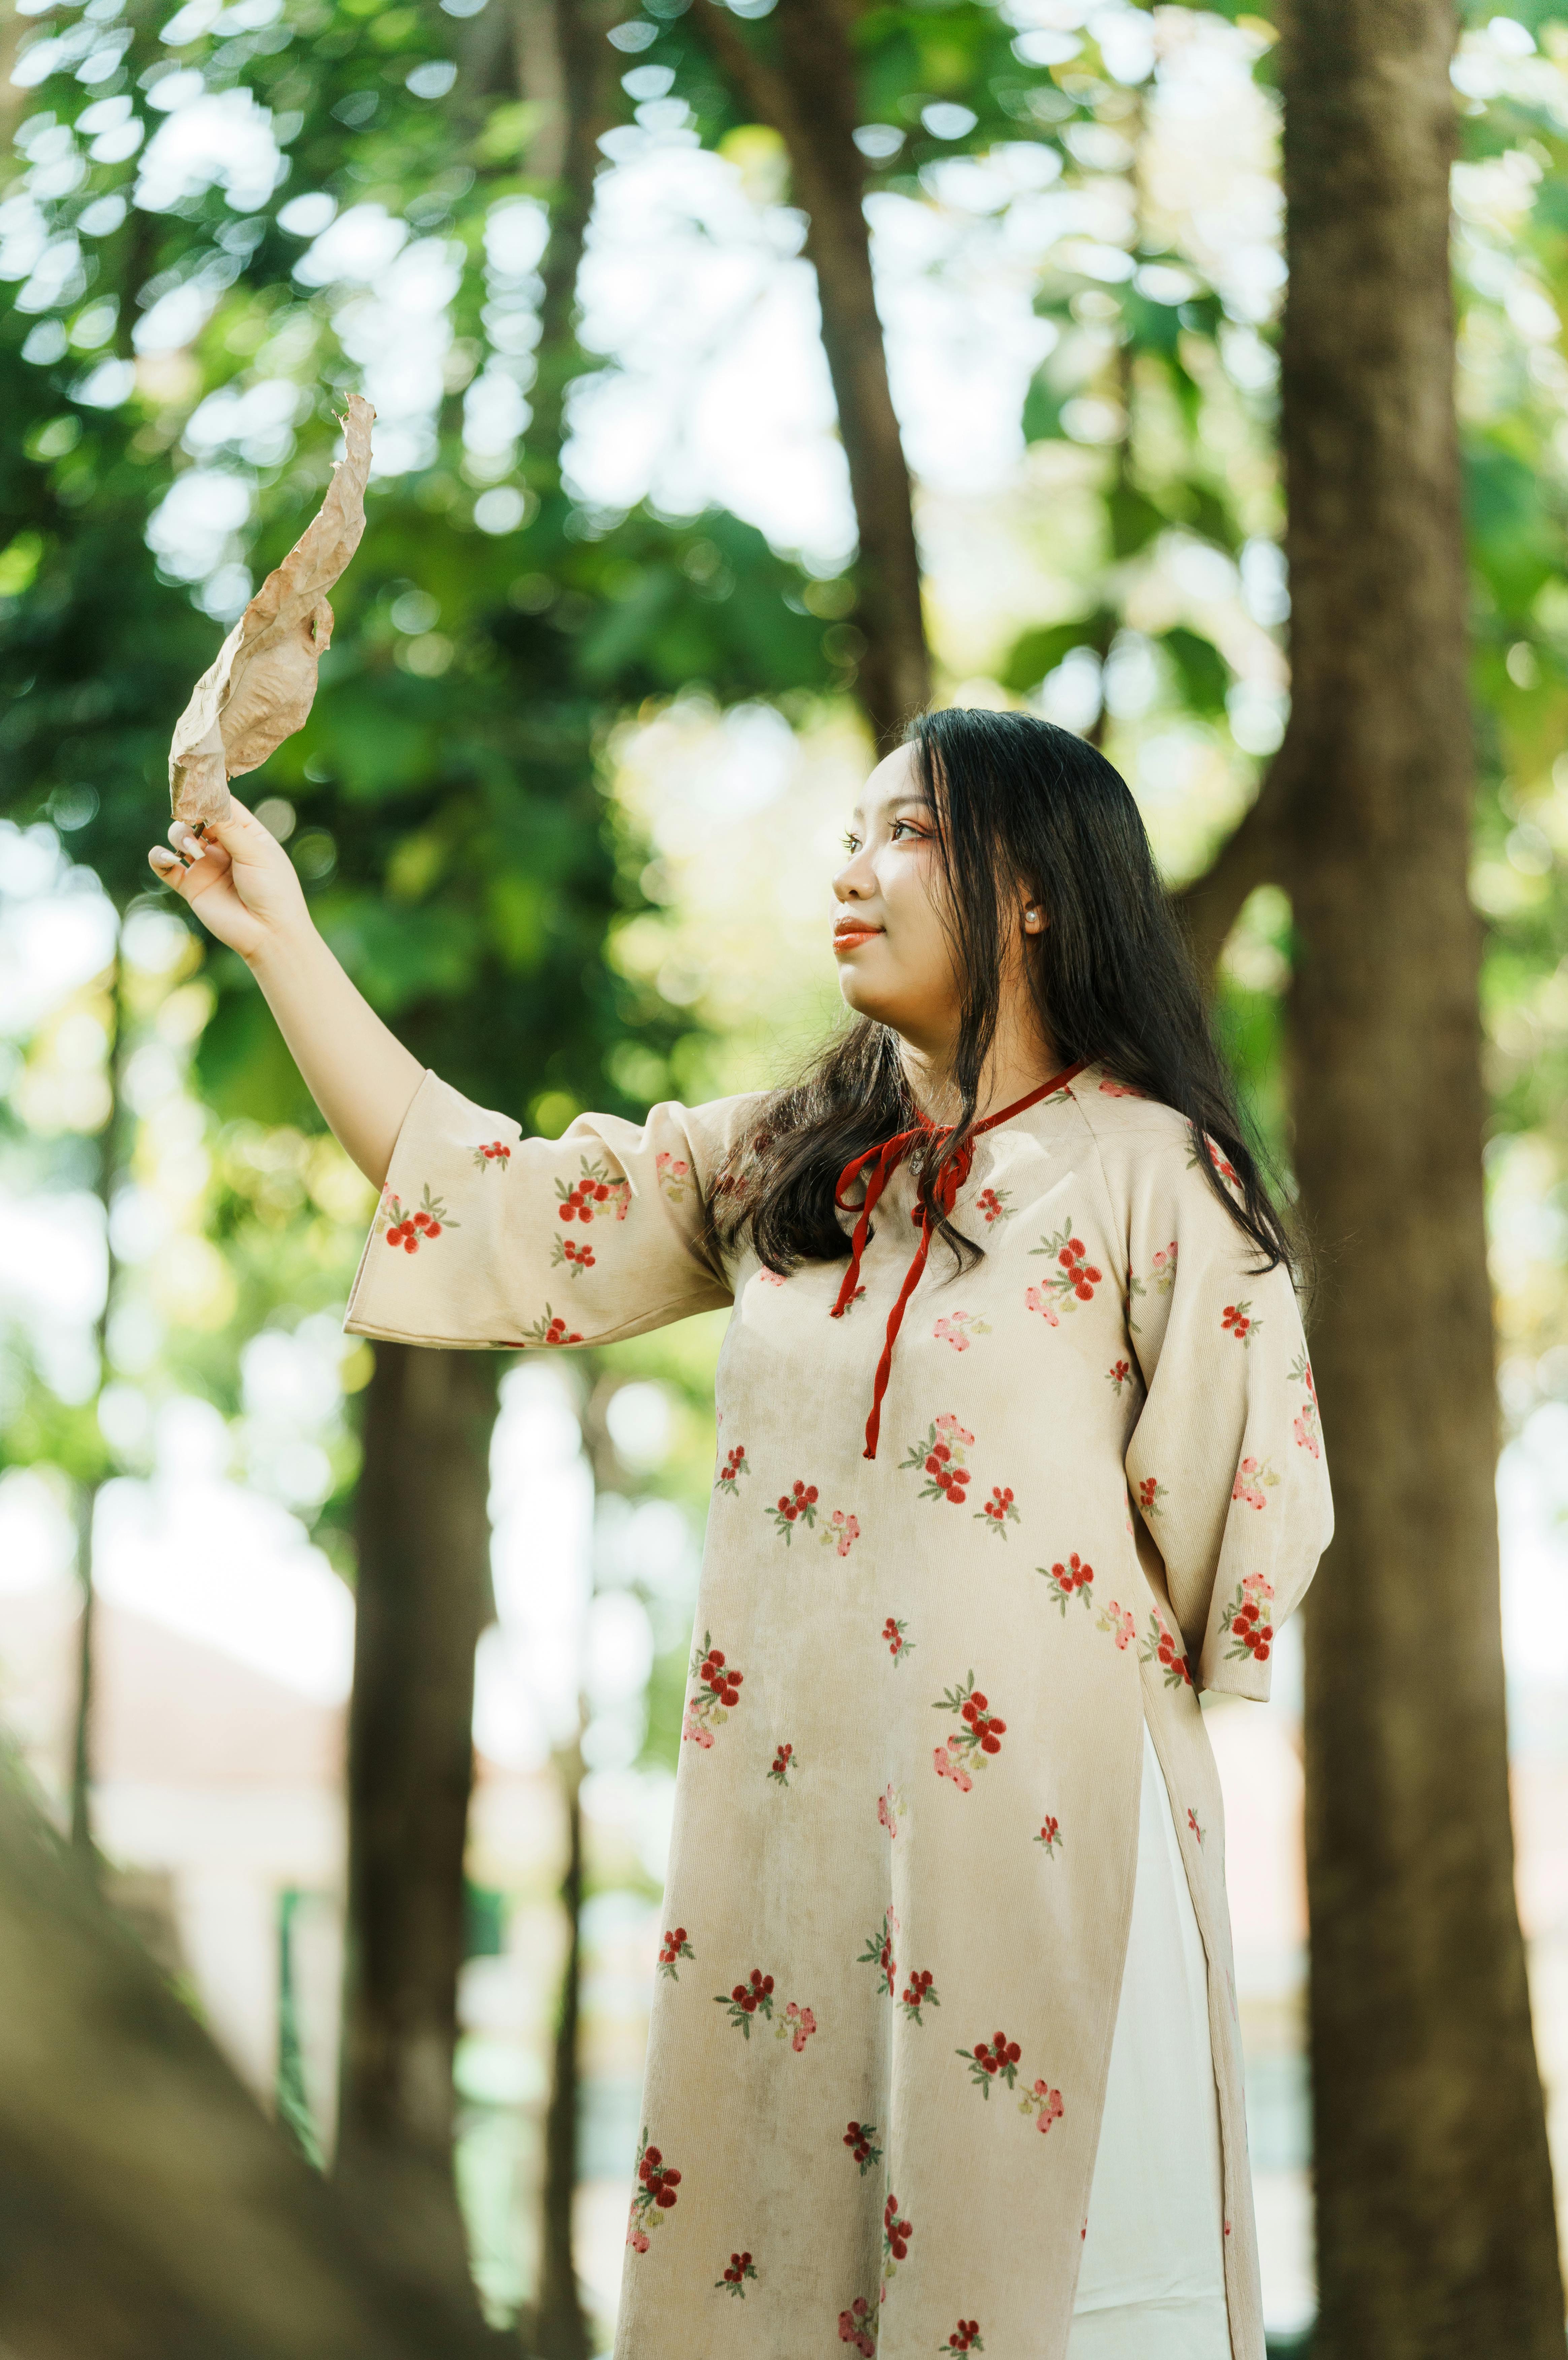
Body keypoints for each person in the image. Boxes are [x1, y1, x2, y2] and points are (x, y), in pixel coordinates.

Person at [150, 704, 1332, 2360]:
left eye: (906, 833)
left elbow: (1234, 1552)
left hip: (1052, 1870)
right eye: (850, 835)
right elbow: (486, 1196)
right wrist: (275, 931)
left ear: (1037, 890)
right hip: (781, 1871)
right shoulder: (791, 1164)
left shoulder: (1161, 1184)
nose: (851, 872)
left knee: (1056, 2300)